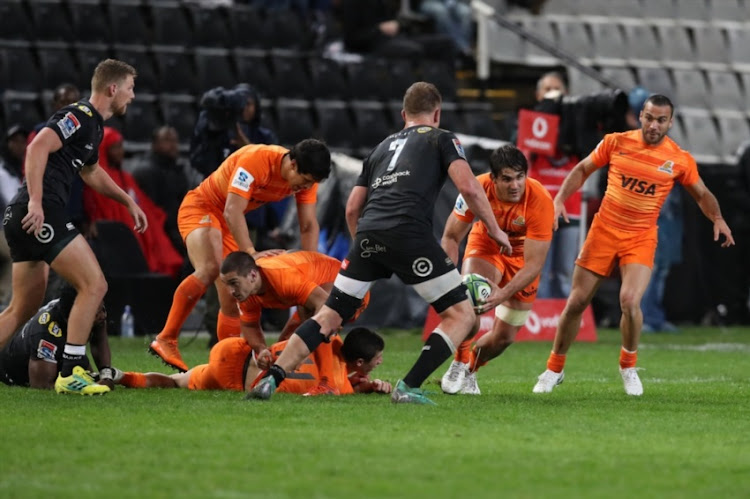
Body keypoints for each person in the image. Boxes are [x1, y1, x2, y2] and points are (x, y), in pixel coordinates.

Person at [247, 81, 511, 404]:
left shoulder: (381, 148)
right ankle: (408, 387)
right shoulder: (443, 139)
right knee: (462, 316)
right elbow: (470, 188)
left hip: (368, 234)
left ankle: (270, 381)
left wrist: (365, 249)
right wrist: (495, 229)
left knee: (328, 316)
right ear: (437, 114)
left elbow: (352, 207)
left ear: (404, 115)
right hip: (409, 232)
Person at [532, 94, 735, 397]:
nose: (654, 125)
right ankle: (554, 368)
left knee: (629, 301)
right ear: (640, 116)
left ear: (670, 122)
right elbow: (582, 169)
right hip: (604, 231)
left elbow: (702, 194)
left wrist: (717, 218)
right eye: (649, 118)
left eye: (661, 120)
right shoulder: (616, 142)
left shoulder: (678, 159)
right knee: (576, 302)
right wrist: (559, 199)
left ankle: (628, 366)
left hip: (640, 236)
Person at [0, 59, 146, 395]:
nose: (133, 96)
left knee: (20, 309)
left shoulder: (93, 127)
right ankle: (71, 372)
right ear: (113, 89)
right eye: (130, 88)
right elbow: (37, 146)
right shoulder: (79, 116)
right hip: (40, 212)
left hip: (23, 216)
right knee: (94, 285)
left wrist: (128, 201)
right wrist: (36, 201)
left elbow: (91, 172)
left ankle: (70, 371)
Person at [148, 139, 331, 372]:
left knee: (233, 297)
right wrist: (251, 253)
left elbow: (308, 225)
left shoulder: (306, 179)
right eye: (304, 181)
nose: (305, 188)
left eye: (311, 184)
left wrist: (309, 265)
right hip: (202, 208)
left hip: (227, 223)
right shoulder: (256, 161)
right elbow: (232, 210)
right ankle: (166, 339)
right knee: (211, 268)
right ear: (293, 164)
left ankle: (229, 366)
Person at [440, 144, 554, 395]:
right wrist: (450, 280)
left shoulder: (540, 201)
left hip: (522, 257)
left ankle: (471, 369)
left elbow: (534, 264)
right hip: (486, 244)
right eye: (507, 179)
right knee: (471, 295)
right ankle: (458, 362)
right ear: (493, 178)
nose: (515, 185)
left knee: (504, 338)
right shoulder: (475, 189)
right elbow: (450, 236)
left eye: (520, 177)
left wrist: (503, 294)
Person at [117, 327, 391, 396]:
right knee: (175, 384)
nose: (378, 363)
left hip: (237, 351)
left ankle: (121, 376)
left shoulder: (325, 336)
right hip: (239, 380)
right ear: (357, 362)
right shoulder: (338, 387)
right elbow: (341, 384)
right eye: (376, 360)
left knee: (176, 381)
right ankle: (121, 377)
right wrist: (363, 386)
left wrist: (362, 384)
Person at [83, 126, 184, 278]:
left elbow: (147, 208)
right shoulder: (96, 180)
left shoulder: (127, 178)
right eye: (114, 147)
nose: (120, 152)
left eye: (121, 147)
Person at [524, 71, 581, 300]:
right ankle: (539, 319)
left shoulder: (578, 126)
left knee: (566, 272)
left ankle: (564, 322)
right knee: (540, 270)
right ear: (538, 95)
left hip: (571, 210)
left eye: (557, 89)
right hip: (539, 210)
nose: (552, 95)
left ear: (566, 94)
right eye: (547, 90)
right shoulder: (528, 125)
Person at [0, 285, 115, 390]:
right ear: (75, 317)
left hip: (62, 345)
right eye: (96, 313)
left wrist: (106, 375)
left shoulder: (90, 308)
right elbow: (41, 385)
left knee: (88, 376)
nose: (103, 315)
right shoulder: (45, 333)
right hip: (13, 370)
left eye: (102, 308)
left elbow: (98, 340)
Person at [131, 126, 203, 254]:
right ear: (155, 144)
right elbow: (151, 210)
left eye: (175, 141)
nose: (173, 145)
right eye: (167, 140)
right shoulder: (145, 171)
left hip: (178, 225)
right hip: (158, 229)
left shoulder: (178, 169)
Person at [190, 83, 278, 178]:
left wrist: (247, 148)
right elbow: (198, 162)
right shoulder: (219, 132)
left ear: (256, 106)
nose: (244, 108)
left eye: (249, 104)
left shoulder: (265, 136)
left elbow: (274, 170)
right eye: (242, 105)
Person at [0, 124, 29, 307]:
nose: (20, 146)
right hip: (2, 228)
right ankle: (4, 301)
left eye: (23, 142)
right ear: (7, 144)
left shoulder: (23, 171)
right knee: (15, 253)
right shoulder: (2, 172)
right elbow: (11, 203)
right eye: (15, 142)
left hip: (14, 228)